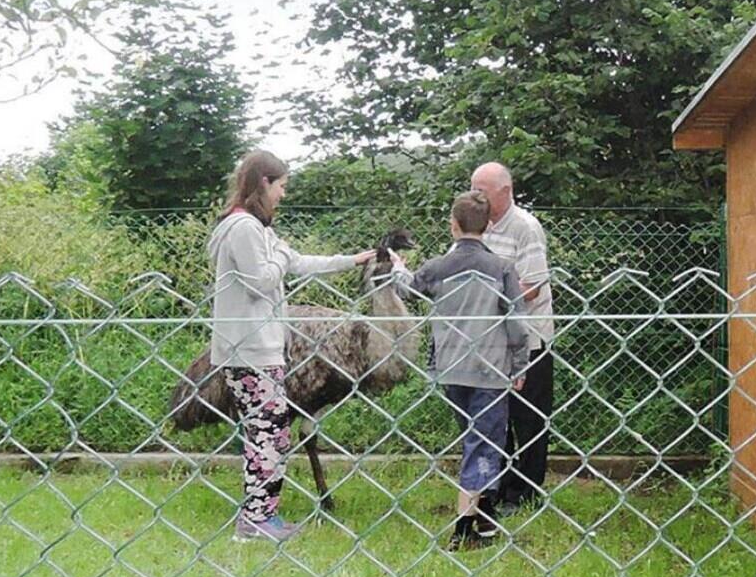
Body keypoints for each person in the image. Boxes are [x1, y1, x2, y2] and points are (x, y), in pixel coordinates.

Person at [207, 150, 374, 543]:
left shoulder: (254, 229)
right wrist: (281, 253)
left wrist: (350, 260)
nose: (283, 194)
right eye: (281, 186)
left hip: (258, 347)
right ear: (264, 183)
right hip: (250, 348)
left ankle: (261, 516)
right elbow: (262, 281)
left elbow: (298, 263)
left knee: (270, 433)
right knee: (268, 434)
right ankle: (256, 521)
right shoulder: (244, 229)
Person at [391, 189, 531, 549]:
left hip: (451, 368)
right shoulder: (502, 268)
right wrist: (520, 363)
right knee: (483, 443)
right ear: (488, 226)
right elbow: (517, 323)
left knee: (476, 438)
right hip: (491, 369)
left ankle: (484, 519)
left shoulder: (438, 267)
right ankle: (464, 527)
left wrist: (398, 269)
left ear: (453, 225)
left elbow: (407, 290)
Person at [469, 161, 554, 511]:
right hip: (489, 342)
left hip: (527, 341)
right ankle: (499, 485)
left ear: (506, 191)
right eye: (472, 188)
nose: (475, 196)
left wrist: (484, 296)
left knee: (528, 417)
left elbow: (532, 287)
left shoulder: (525, 227)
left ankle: (526, 491)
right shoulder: (478, 227)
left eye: (481, 190)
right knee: (493, 416)